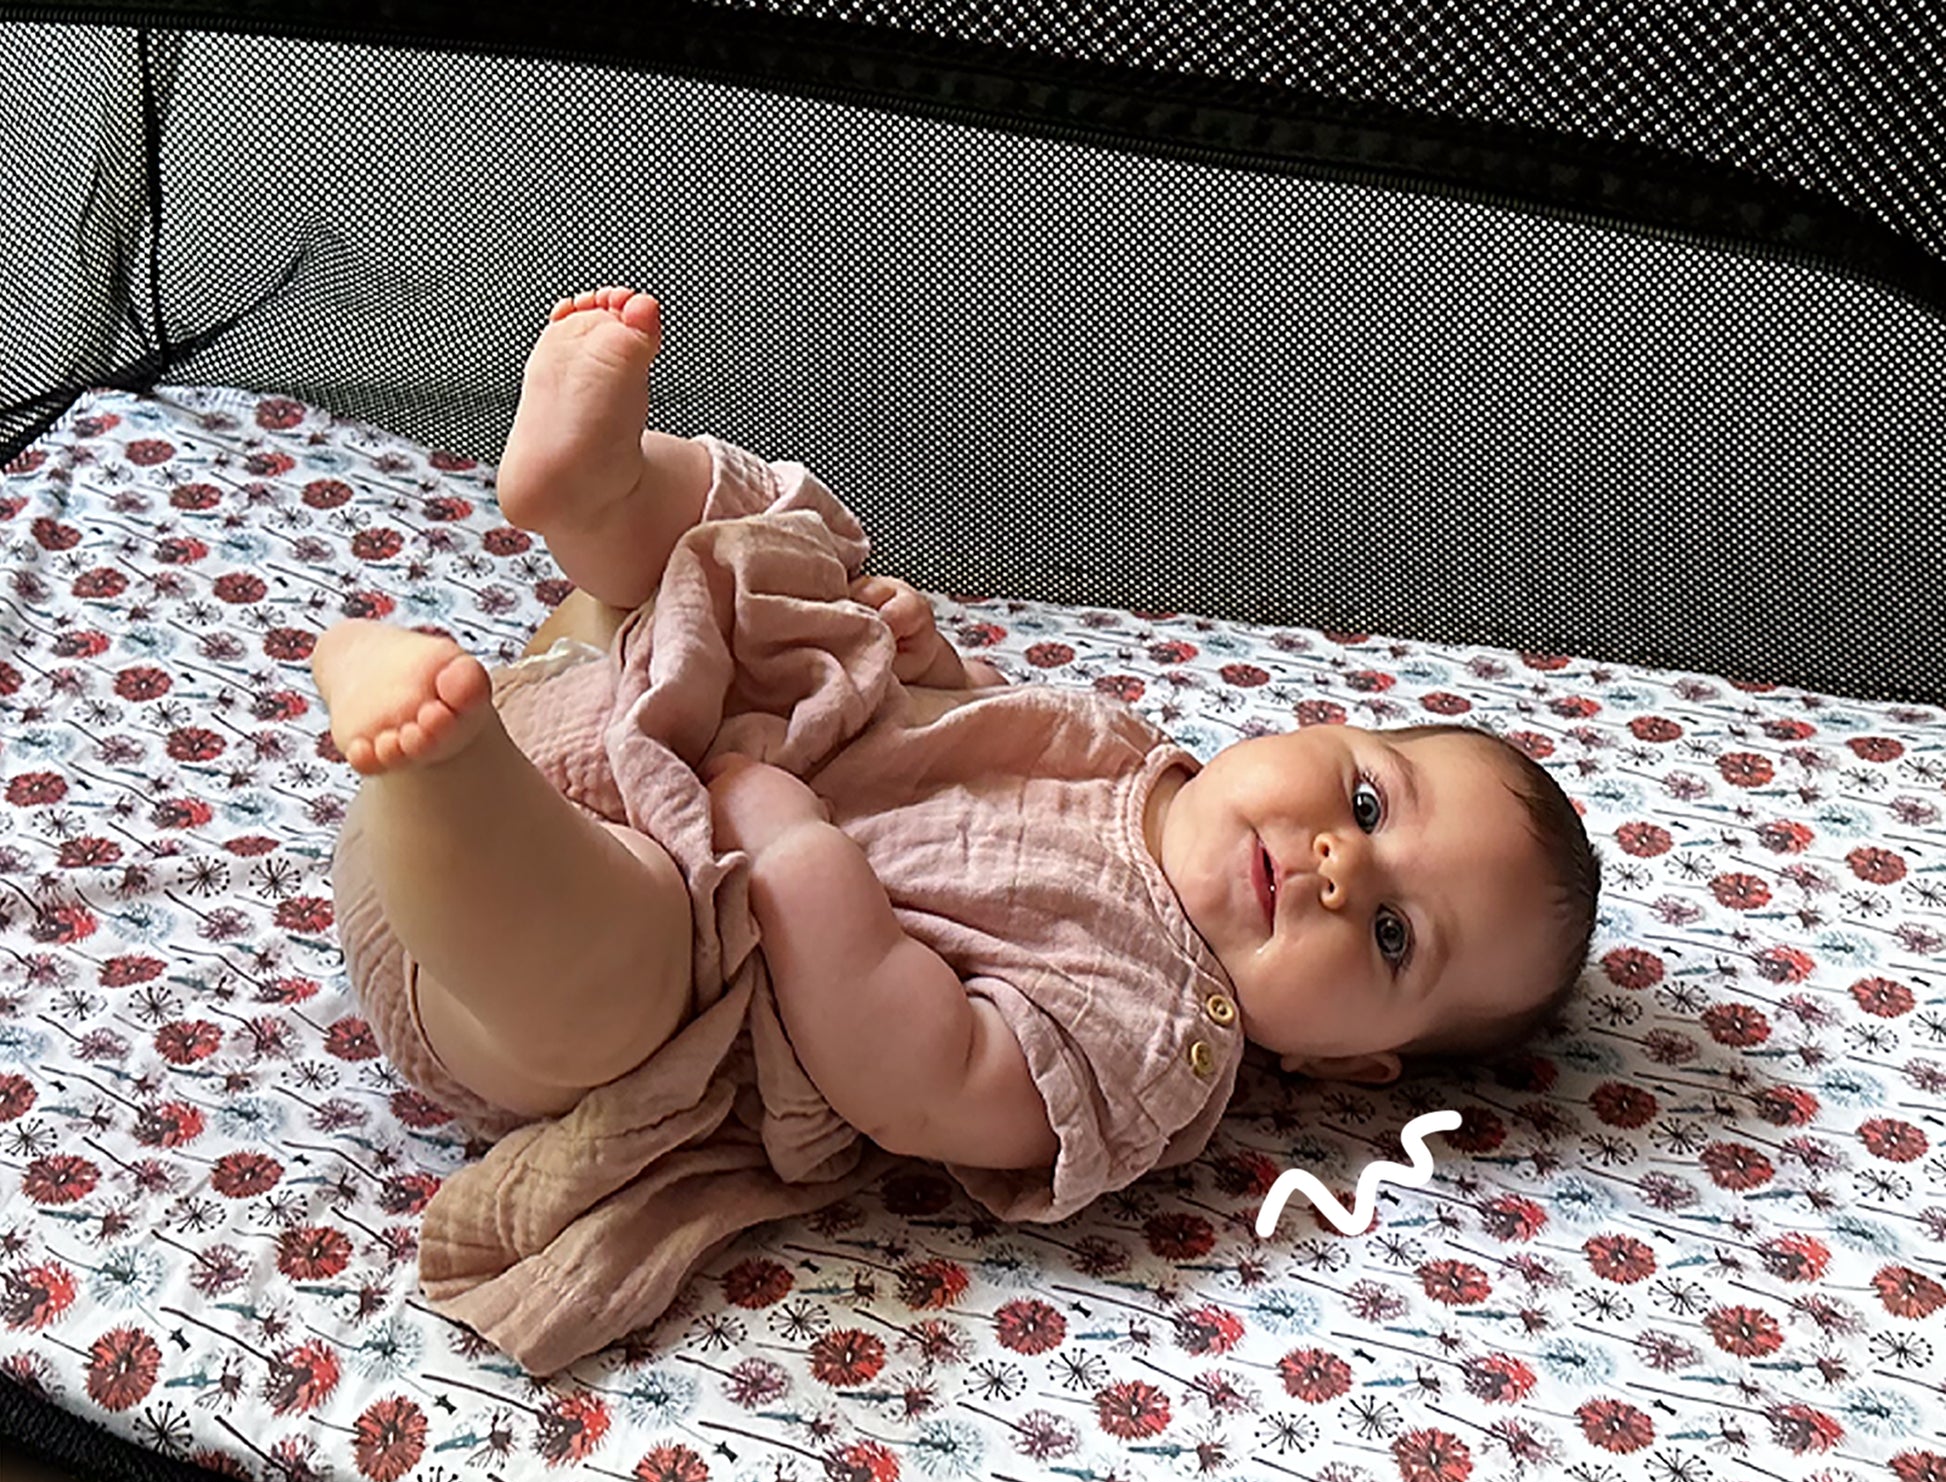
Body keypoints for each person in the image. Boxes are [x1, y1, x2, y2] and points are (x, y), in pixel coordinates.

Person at [314, 286, 1599, 1206]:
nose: (1336, 868)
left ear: (1344, 1062)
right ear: (1324, 726)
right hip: (624, 702)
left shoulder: (1156, 1040)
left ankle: (438, 767)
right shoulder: (1135, 756)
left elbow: (921, 1074)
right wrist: (926, 671)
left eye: (1389, 936)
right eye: (1368, 804)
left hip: (527, 944)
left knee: (630, 973)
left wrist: (801, 854)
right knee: (782, 562)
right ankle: (595, 500)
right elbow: (970, 765)